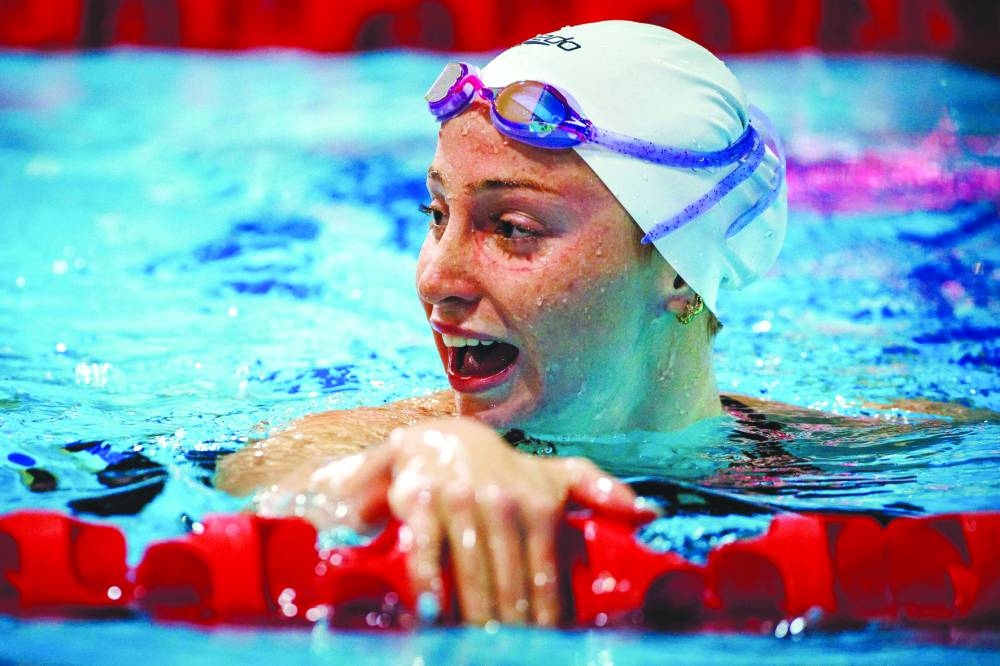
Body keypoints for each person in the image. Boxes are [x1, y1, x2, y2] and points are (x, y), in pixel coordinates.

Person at [215, 20, 787, 626]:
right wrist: (422, 456)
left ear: (677, 268)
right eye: (436, 214)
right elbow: (265, 479)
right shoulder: (386, 443)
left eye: (512, 228)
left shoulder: (842, 455)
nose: (436, 279)